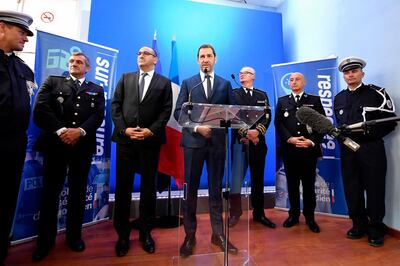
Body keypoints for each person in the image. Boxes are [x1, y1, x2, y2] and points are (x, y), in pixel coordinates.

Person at [31, 52, 105, 262]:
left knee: (78, 193)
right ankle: (45, 242)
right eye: (71, 61)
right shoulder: (53, 82)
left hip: (82, 147)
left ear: (87, 67)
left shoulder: (96, 89)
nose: (74, 64)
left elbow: (98, 116)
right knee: (50, 194)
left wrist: (79, 132)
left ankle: (74, 237)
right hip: (56, 145)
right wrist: (62, 131)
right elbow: (40, 110)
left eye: (79, 62)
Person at [174, 44, 237, 257]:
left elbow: (233, 114)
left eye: (209, 56)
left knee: (215, 189)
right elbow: (179, 113)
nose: (205, 59)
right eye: (202, 56)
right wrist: (197, 127)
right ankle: (189, 235)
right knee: (190, 190)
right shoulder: (189, 83)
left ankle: (217, 233)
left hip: (217, 145)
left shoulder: (225, 84)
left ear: (215, 59)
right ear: (197, 60)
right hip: (193, 143)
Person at [111, 46, 172, 257]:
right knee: (123, 189)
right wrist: (124, 129)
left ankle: (146, 233)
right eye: (138, 53)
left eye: (145, 53)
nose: (141, 55)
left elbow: (166, 110)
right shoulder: (126, 78)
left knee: (148, 189)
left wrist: (150, 131)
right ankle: (122, 235)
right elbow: (115, 105)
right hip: (126, 141)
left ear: (155, 59)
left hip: (150, 142)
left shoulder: (163, 83)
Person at [334, 56, 397, 247]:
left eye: (354, 71)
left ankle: (376, 228)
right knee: (352, 188)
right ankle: (358, 225)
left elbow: (390, 121)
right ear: (343, 76)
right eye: (347, 72)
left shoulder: (377, 94)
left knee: (375, 188)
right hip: (348, 149)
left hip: (371, 149)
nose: (350, 74)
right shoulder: (339, 98)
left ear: (362, 73)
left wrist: (369, 133)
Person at [0, 10, 34, 265]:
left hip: (14, 143)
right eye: (21, 32)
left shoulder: (23, 68)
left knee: (7, 197)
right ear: (2, 28)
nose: (26, 38)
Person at [274, 72, 325, 233]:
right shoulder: (283, 101)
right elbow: (278, 123)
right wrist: (289, 139)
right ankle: (293, 215)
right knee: (292, 185)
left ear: (304, 82)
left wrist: (311, 141)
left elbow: (321, 124)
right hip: (290, 150)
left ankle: (310, 217)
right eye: (291, 79)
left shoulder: (314, 100)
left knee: (309, 185)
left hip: (308, 150)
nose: (294, 82)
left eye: (297, 79)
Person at [228, 67, 275, 229]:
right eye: (240, 73)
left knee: (258, 180)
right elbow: (231, 116)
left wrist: (257, 133)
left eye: (245, 73)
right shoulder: (233, 93)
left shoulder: (262, 95)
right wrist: (247, 133)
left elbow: (267, 116)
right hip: (239, 143)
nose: (241, 74)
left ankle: (259, 213)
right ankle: (235, 212)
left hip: (258, 144)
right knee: (236, 181)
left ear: (253, 77)